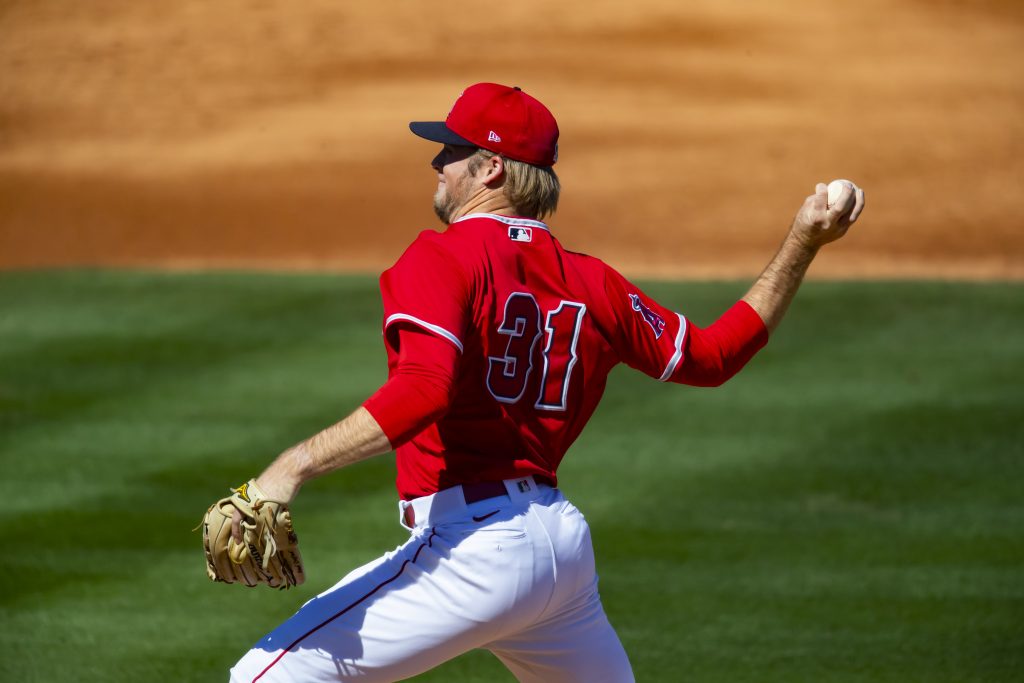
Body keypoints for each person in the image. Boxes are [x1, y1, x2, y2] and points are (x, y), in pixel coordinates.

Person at [227, 82, 865, 682]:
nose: (437, 165)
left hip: (473, 550)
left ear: (491, 168)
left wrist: (290, 469)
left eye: (450, 151)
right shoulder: (594, 281)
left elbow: (426, 388)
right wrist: (803, 241)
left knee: (267, 674)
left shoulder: (441, 256)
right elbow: (713, 355)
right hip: (559, 554)